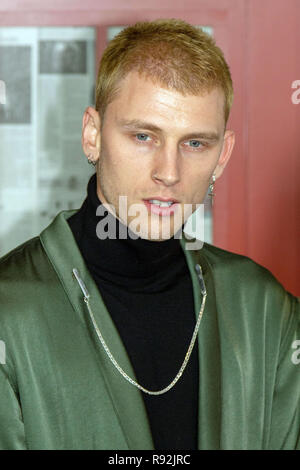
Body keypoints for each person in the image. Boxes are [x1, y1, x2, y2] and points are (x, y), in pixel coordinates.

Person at [0, 18, 299, 451]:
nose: (169, 173)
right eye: (144, 136)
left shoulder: (265, 310)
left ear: (222, 156)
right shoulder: (11, 313)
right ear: (92, 135)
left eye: (195, 144)